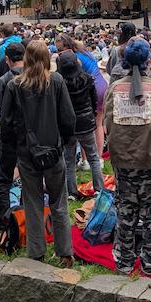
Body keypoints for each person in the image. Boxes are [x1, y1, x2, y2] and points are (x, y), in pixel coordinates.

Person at [103, 39, 151, 277]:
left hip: (123, 163)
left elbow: (107, 124)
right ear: (147, 62)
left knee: (126, 213)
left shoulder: (114, 89)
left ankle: (124, 261)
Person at [0, 40, 75, 266]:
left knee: (32, 203)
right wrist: (64, 141)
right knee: (59, 203)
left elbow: (6, 124)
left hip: (27, 153)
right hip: (53, 150)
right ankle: (65, 252)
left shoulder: (15, 86)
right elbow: (69, 118)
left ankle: (36, 252)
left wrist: (12, 152)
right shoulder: (57, 82)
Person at [56, 50, 103, 199]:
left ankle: (71, 192)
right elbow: (94, 100)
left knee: (69, 160)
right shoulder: (88, 79)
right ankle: (99, 189)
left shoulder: (59, 83)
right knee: (93, 157)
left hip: (68, 126)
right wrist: (93, 115)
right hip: (86, 123)